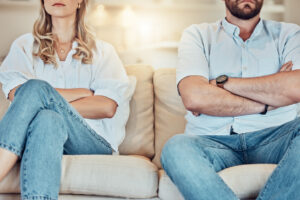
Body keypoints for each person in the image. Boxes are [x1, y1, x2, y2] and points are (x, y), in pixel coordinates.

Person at [161, 0, 300, 199]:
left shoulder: (290, 34)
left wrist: (223, 83)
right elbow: (195, 97)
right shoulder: (198, 35)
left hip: (275, 138)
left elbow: (296, 87)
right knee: (176, 147)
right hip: (214, 142)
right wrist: (270, 100)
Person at [0, 0, 132, 199]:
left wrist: (44, 97)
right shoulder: (24, 45)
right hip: (40, 132)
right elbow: (17, 94)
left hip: (90, 140)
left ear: (80, 1)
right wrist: (83, 92)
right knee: (47, 118)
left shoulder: (103, 51)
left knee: (36, 89)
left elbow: (105, 106)